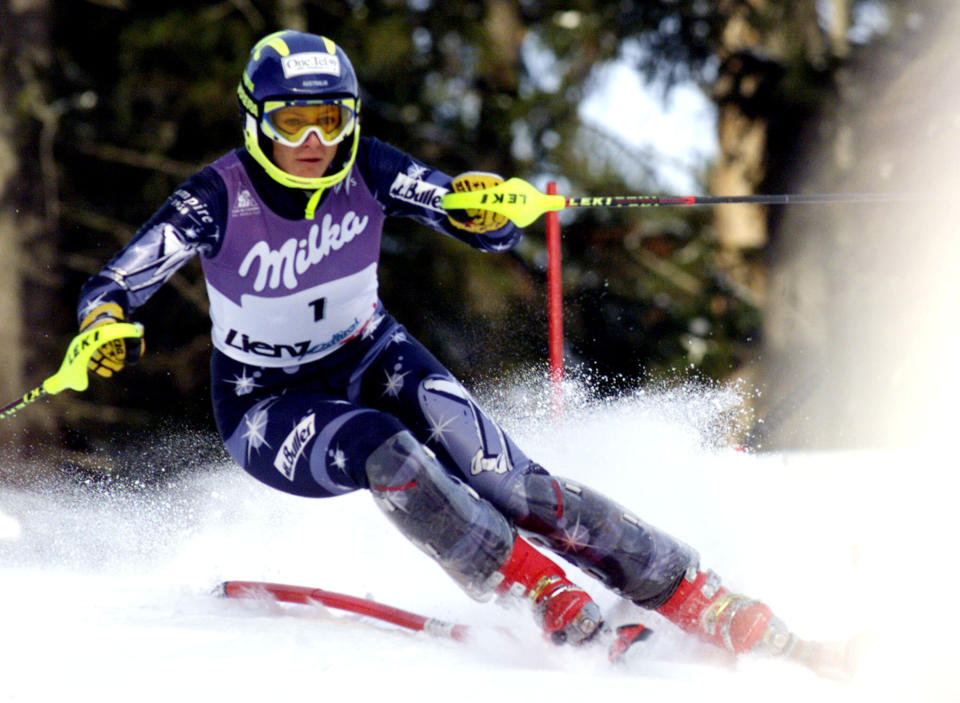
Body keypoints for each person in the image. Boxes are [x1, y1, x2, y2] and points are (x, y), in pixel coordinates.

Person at [77, 29, 809, 661]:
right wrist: (102, 324)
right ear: (254, 123)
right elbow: (119, 278)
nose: (312, 144)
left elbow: (459, 207)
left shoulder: (367, 168)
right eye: (291, 123)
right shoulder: (217, 196)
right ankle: (540, 593)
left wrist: (491, 210)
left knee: (513, 483)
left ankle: (692, 592)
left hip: (372, 354)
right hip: (266, 400)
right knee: (386, 449)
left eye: (328, 121)